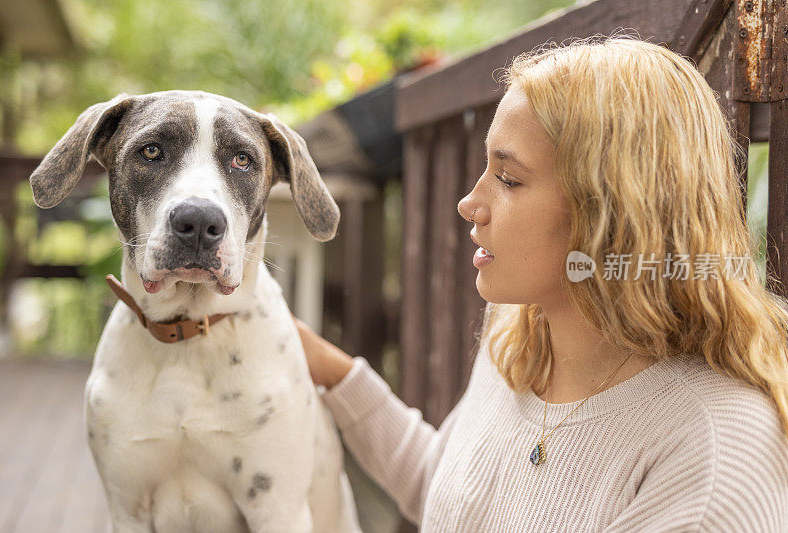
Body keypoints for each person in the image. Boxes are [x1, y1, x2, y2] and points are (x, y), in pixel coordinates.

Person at [294, 34, 788, 531]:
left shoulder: (711, 462)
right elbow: (451, 496)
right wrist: (323, 365)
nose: (469, 203)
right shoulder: (519, 332)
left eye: (508, 179)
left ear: (613, 211)